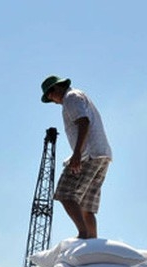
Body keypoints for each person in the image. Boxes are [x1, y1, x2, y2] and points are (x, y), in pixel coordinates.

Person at [41, 75, 112, 239]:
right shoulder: (78, 96)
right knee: (86, 206)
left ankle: (83, 233)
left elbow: (83, 122)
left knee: (65, 193)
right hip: (102, 155)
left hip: (89, 155)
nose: (53, 102)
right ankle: (92, 242)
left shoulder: (70, 98)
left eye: (51, 97)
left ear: (56, 88)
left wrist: (77, 154)